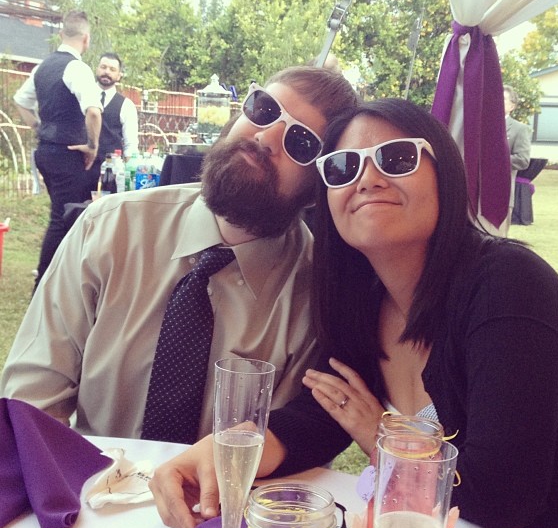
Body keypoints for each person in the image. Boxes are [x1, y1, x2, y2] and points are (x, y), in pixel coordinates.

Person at [149, 98, 558, 528]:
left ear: (444, 175)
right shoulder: (361, 299)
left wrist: (382, 441)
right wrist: (231, 446)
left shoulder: (509, 286)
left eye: (396, 157)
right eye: (341, 167)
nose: (367, 177)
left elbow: (500, 497)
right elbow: (322, 413)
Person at [1, 65, 359, 442]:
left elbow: (283, 443)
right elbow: (31, 402)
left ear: (318, 187)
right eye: (264, 109)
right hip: (93, 487)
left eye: (300, 142)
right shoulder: (109, 228)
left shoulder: (314, 292)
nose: (265, 136)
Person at [13, 10, 102, 289]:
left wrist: (40, 128)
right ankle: (45, 285)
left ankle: (61, 282)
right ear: (86, 39)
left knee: (65, 215)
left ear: (62, 34)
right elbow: (94, 112)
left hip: (46, 152)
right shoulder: (76, 68)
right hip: (67, 154)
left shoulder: (43, 67)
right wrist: (92, 146)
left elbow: (20, 102)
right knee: (65, 218)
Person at [90, 52, 139, 189]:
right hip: (81, 166)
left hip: (111, 171)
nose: (107, 72)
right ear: (97, 69)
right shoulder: (83, 96)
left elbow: (131, 145)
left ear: (119, 75)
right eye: (103, 67)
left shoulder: (126, 105)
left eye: (112, 69)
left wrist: (130, 178)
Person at [503, 85, 531, 228]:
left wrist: (496, 159)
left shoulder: (519, 129)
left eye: (503, 99)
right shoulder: (481, 126)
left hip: (502, 192)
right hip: (476, 194)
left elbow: (523, 160)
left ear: (512, 106)